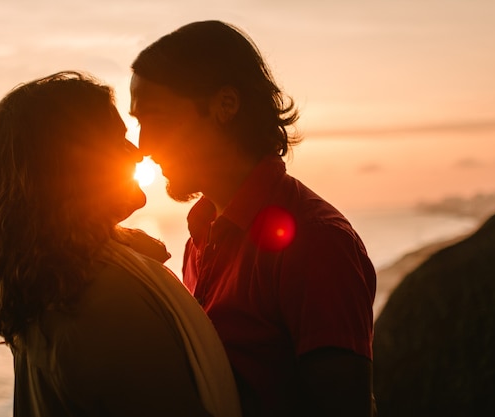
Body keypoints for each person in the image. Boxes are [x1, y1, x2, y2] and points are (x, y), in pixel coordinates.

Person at [130, 20, 377, 416]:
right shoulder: (201, 236)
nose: (143, 145)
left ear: (225, 105)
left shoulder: (316, 242)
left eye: (156, 117)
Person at [0, 71, 241, 417]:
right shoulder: (107, 302)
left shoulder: (48, 282)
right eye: (118, 139)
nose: (138, 153)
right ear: (73, 168)